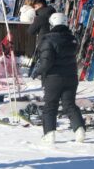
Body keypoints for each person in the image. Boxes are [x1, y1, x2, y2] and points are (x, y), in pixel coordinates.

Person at [32, 13, 85, 144]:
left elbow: (46, 62)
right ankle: (79, 130)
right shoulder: (72, 39)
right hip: (71, 77)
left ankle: (49, 134)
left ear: (52, 24)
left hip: (53, 78)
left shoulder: (48, 39)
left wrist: (36, 71)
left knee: (50, 105)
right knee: (70, 104)